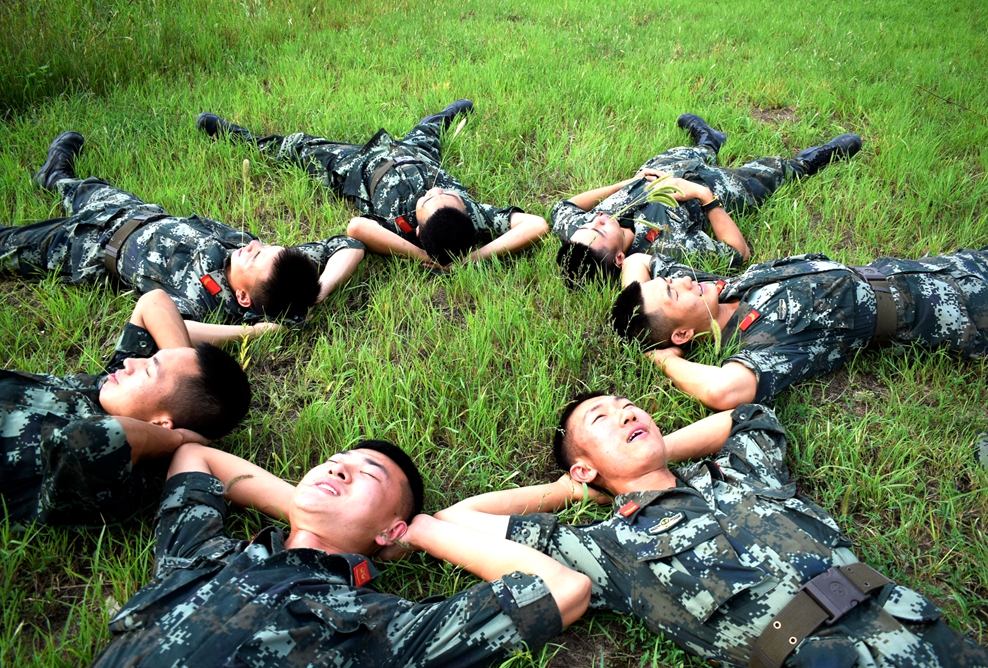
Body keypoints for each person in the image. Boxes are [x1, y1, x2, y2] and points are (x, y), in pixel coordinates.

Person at [435, 393, 988, 668]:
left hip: (916, 625)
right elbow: (459, 518)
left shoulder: (738, 470)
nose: (627, 413)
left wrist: (656, 455)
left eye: (628, 406)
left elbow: (751, 415)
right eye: (601, 419)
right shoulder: (607, 548)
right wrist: (579, 489)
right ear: (582, 466)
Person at [90, 438, 592, 666]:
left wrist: (422, 532)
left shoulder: (383, 628)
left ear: (391, 528)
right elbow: (194, 454)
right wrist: (304, 511)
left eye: (366, 474)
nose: (337, 468)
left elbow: (564, 588)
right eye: (334, 462)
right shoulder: (203, 554)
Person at [0, 131, 365, 341]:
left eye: (255, 256)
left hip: (88, 247)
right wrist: (319, 291)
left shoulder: (207, 305)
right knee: (81, 187)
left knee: (8, 245)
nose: (254, 245)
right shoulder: (281, 271)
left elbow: (173, 330)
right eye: (265, 247)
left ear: (242, 295)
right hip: (135, 211)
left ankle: (55, 186)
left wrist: (248, 334)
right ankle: (55, 176)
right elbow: (349, 244)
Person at [610, 244, 988, 409]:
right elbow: (722, 390)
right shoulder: (760, 339)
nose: (683, 280)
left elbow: (639, 260)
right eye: (673, 293)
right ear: (681, 334)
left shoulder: (718, 291)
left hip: (937, 267)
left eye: (670, 281)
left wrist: (638, 303)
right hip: (958, 313)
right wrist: (664, 358)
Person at [1, 289, 251, 528]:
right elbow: (154, 302)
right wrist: (177, 359)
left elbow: (89, 438)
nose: (131, 362)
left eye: (149, 370)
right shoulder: (119, 391)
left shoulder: (117, 477)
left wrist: (178, 439)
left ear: (161, 425)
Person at [197, 100, 549, 269]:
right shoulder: (473, 214)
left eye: (429, 200)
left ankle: (238, 136)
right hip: (417, 153)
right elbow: (536, 225)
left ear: (417, 228)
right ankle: (446, 116)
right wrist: (475, 256)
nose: (436, 191)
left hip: (363, 166)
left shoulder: (399, 228)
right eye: (447, 195)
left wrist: (425, 257)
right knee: (430, 127)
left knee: (302, 146)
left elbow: (356, 227)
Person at [554, 114, 862, 284]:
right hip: (709, 187)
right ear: (620, 259)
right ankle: (810, 161)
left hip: (659, 171)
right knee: (768, 175)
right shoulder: (666, 247)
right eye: (600, 230)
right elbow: (738, 253)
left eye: (589, 223)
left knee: (688, 154)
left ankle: (708, 142)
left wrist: (626, 183)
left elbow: (563, 208)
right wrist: (704, 196)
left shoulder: (578, 234)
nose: (597, 219)